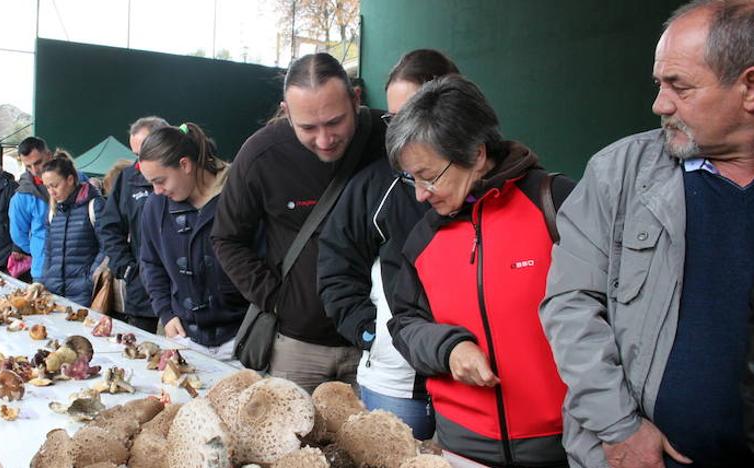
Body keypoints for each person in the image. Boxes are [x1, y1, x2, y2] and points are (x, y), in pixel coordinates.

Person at [540, 2, 754, 466]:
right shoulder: (618, 173)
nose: (660, 104)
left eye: (679, 86)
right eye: (660, 83)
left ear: (750, 87)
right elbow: (570, 304)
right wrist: (619, 428)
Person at [387, 75, 575, 466]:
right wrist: (449, 347)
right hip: (463, 448)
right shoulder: (421, 238)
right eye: (411, 179)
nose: (420, 193)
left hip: (565, 445)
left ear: (476, 153)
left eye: (429, 176)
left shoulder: (556, 205)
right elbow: (405, 324)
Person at [211, 53, 386, 393]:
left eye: (335, 122)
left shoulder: (390, 139)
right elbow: (227, 238)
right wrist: (278, 300)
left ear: (356, 99)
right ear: (286, 112)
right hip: (297, 347)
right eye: (308, 127)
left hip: (379, 347)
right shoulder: (261, 154)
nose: (324, 139)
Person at [317, 49, 460, 441]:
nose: (402, 132)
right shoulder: (374, 184)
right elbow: (335, 265)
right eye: (394, 119)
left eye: (414, 115)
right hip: (397, 385)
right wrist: (371, 335)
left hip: (474, 387)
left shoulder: (490, 182)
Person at [138, 122, 247, 360]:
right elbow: (150, 264)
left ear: (185, 164)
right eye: (151, 183)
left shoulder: (239, 194)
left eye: (160, 180)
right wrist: (166, 313)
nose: (156, 191)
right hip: (186, 338)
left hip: (244, 339)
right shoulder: (155, 207)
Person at [100, 116, 170, 333]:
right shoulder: (129, 178)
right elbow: (110, 228)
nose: (140, 161)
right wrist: (128, 269)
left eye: (145, 153)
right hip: (143, 292)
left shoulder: (184, 175)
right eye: (136, 155)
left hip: (183, 294)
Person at [41, 156, 106, 307]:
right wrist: (43, 281)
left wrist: (90, 278)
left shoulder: (95, 205)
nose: (51, 192)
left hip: (84, 293)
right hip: (54, 292)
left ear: (70, 180)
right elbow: (48, 252)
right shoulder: (53, 212)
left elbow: (107, 246)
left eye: (55, 185)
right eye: (47, 187)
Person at [9, 137, 53, 283]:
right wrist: (39, 249)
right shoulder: (21, 196)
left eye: (38, 163)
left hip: (78, 271)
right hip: (43, 270)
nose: (34, 171)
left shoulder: (76, 181)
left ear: (49, 155)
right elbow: (18, 235)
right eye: (28, 166)